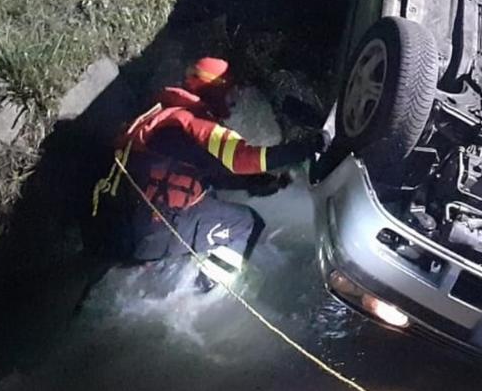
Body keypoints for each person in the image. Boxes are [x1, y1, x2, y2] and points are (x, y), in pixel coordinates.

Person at [91, 57, 327, 291]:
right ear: (216, 89)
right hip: (144, 235)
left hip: (112, 226)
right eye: (229, 89)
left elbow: (201, 170)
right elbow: (246, 159)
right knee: (246, 223)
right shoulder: (195, 124)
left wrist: (253, 183)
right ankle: (201, 294)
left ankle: (162, 266)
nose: (232, 97)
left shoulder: (164, 113)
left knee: (208, 197)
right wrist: (309, 146)